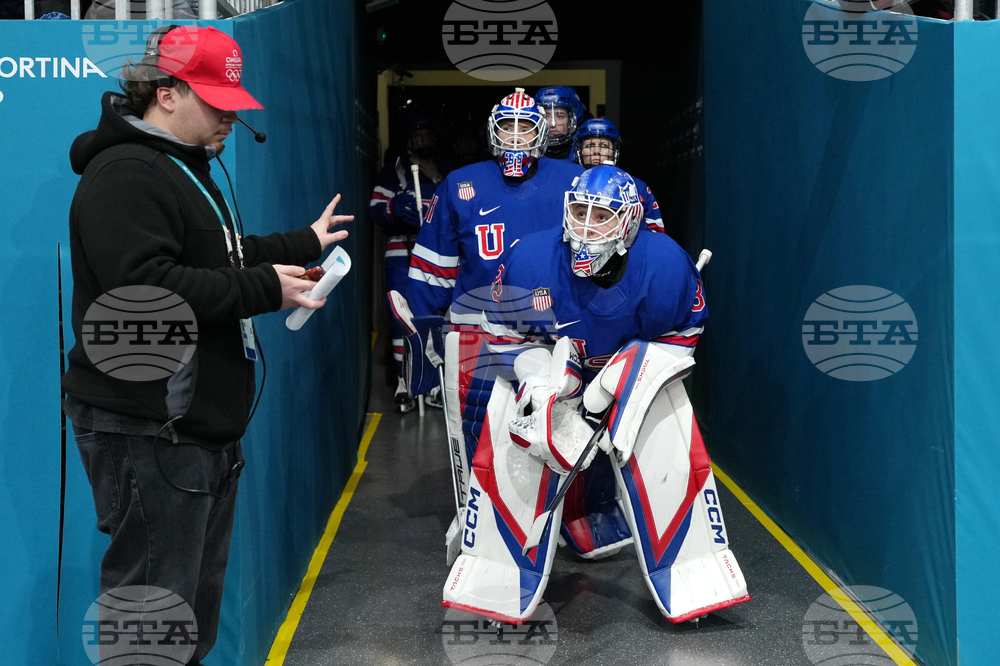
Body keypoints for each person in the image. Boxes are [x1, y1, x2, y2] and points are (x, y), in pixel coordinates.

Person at [62, 26, 352, 665]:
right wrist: (261, 291)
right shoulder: (127, 175)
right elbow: (146, 286)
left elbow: (216, 257)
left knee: (186, 622)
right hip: (149, 428)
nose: (231, 117)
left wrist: (299, 246)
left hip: (189, 429)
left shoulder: (177, 168)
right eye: (218, 101)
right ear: (166, 93)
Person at [442, 165, 748, 624]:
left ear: (629, 223)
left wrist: (629, 381)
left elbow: (685, 334)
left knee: (666, 434)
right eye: (578, 211)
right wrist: (540, 380)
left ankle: (694, 570)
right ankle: (496, 569)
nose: (584, 226)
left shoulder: (666, 265)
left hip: (627, 371)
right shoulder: (529, 258)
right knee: (518, 429)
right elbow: (499, 332)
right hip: (549, 362)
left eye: (600, 215)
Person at [370, 107, 451, 412]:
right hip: (401, 252)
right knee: (401, 318)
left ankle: (433, 383)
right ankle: (405, 381)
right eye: (417, 134)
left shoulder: (447, 169)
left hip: (437, 255)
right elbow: (376, 208)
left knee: (437, 317)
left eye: (427, 134)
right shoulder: (393, 170)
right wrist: (393, 208)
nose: (423, 139)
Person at [574, 117, 666, 233]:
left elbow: (656, 234)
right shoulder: (571, 181)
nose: (596, 151)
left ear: (614, 150)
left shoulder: (636, 186)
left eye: (604, 146)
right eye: (589, 146)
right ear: (579, 150)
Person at [533, 85, 579, 162]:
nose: (552, 124)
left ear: (570, 121)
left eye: (560, 116)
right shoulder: (527, 156)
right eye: (545, 116)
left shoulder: (580, 155)